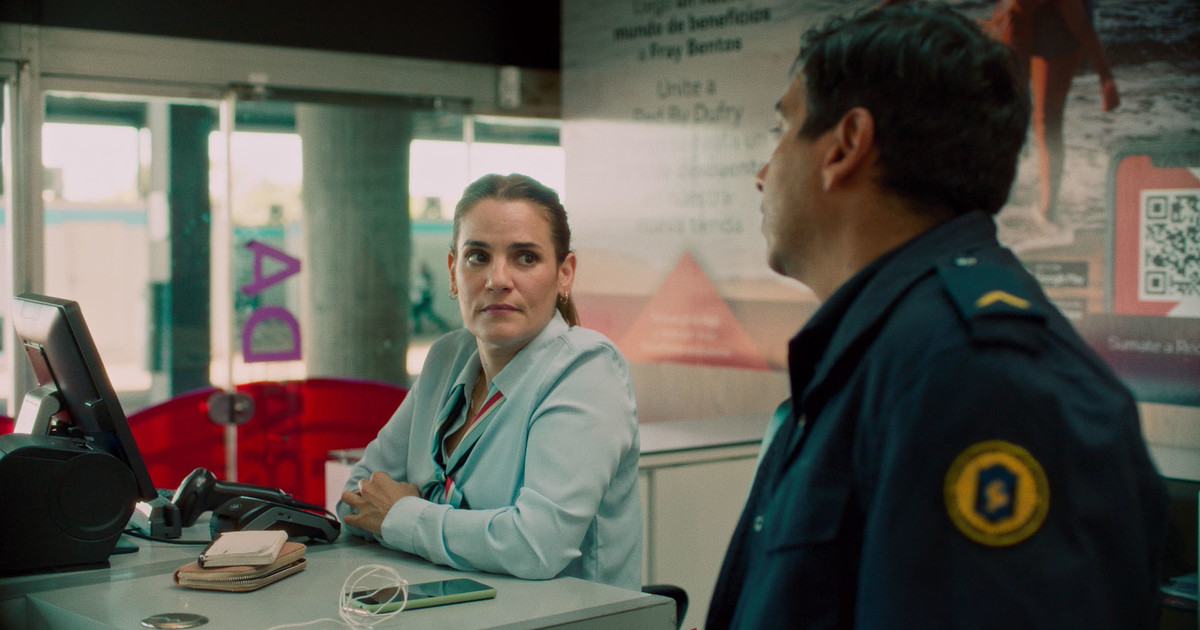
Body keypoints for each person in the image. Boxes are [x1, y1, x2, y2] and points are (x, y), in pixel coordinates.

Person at [707, 4, 1168, 629]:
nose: (763, 174)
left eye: (782, 128)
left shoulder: (977, 376)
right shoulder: (892, 350)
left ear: (845, 144)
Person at [338, 173, 642, 590]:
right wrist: (479, 535)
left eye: (526, 258)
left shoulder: (587, 370)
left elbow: (536, 546)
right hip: (443, 608)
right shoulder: (446, 358)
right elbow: (355, 500)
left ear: (565, 274)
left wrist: (403, 516)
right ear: (453, 272)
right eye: (477, 257)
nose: (497, 279)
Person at [984, 0, 1119, 228]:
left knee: (1047, 121)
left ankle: (1049, 212)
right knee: (1007, 109)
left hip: (1060, 26)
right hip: (1018, 17)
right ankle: (996, 201)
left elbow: (1079, 22)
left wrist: (1105, 78)